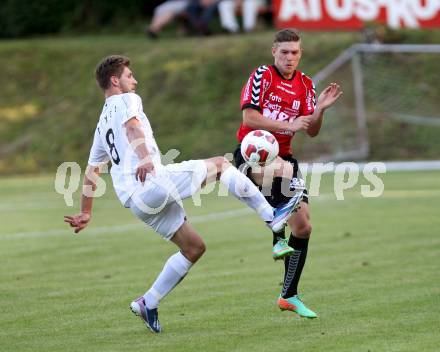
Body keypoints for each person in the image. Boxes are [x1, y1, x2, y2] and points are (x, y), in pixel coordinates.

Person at [64, 55, 301, 333]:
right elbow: (132, 127)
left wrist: (86, 211)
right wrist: (143, 158)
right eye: (130, 76)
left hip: (134, 200)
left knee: (193, 248)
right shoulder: (127, 100)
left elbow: (93, 169)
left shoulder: (101, 124)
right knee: (222, 165)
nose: (135, 81)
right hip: (151, 181)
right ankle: (271, 217)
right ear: (115, 80)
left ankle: (148, 302)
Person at [233, 29, 343, 318]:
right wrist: (287, 126)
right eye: (284, 52)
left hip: (284, 158)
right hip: (252, 153)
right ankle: (277, 238)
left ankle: (288, 295)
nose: (289, 57)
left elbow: (313, 131)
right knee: (280, 171)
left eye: (294, 52)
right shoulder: (263, 76)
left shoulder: (306, 85)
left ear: (300, 53)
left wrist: (319, 110)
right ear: (274, 52)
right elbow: (249, 117)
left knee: (304, 226)